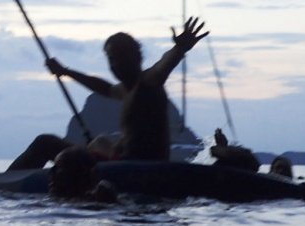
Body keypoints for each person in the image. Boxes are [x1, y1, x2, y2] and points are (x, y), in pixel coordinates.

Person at [39, 17, 209, 163]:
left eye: (122, 56)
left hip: (136, 167)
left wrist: (179, 49)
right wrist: (66, 72)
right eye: (112, 58)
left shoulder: (148, 83)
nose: (116, 64)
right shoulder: (127, 90)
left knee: (45, 144)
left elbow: (162, 67)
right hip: (124, 161)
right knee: (100, 142)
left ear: (138, 56)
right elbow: (106, 89)